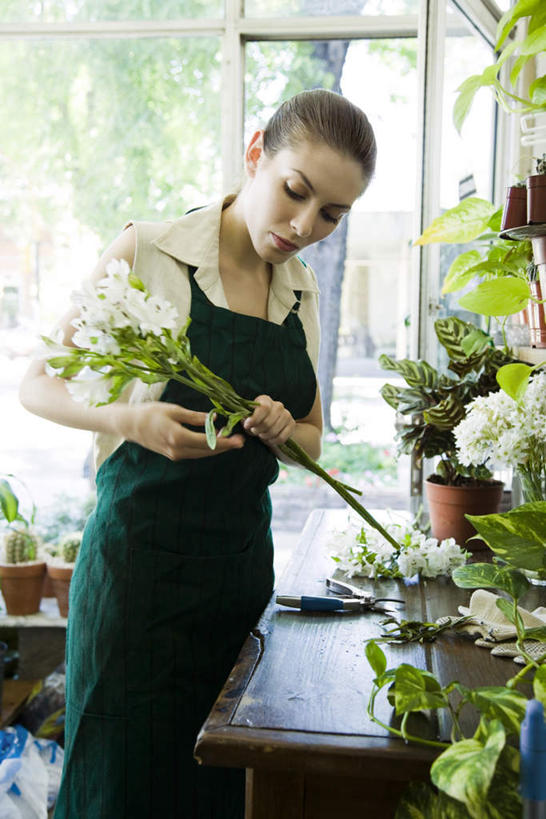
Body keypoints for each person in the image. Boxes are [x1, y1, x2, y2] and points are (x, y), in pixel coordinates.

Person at [19, 88, 376, 818]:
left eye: (332, 215)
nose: (305, 226)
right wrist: (130, 417)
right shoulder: (149, 250)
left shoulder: (301, 291)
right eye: (295, 192)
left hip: (237, 588)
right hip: (135, 588)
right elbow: (36, 383)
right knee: (120, 787)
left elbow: (311, 436)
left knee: (219, 792)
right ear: (256, 154)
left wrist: (284, 427)